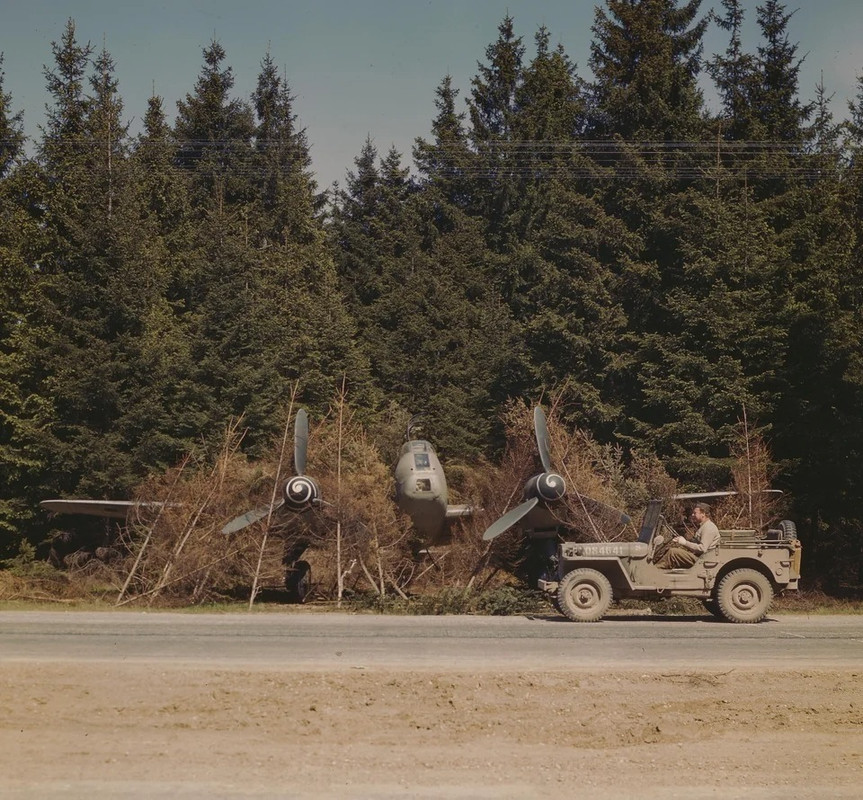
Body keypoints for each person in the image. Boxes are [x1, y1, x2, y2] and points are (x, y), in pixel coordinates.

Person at [655, 502, 720, 569]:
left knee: (673, 552)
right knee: (670, 550)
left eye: (695, 513)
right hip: (700, 557)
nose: (692, 515)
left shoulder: (709, 527)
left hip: (702, 559)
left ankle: (653, 572)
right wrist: (683, 541)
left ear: (703, 514)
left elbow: (702, 549)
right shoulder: (703, 526)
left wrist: (685, 543)